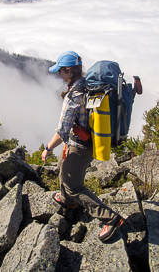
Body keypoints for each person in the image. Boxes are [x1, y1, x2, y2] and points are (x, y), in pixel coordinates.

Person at [41, 51, 124, 242]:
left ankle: (110, 219)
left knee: (74, 187)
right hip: (82, 143)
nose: (59, 75)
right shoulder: (88, 85)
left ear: (69, 71)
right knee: (62, 165)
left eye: (60, 71)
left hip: (79, 147)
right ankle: (68, 202)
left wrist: (48, 148)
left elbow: (62, 130)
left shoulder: (74, 95)